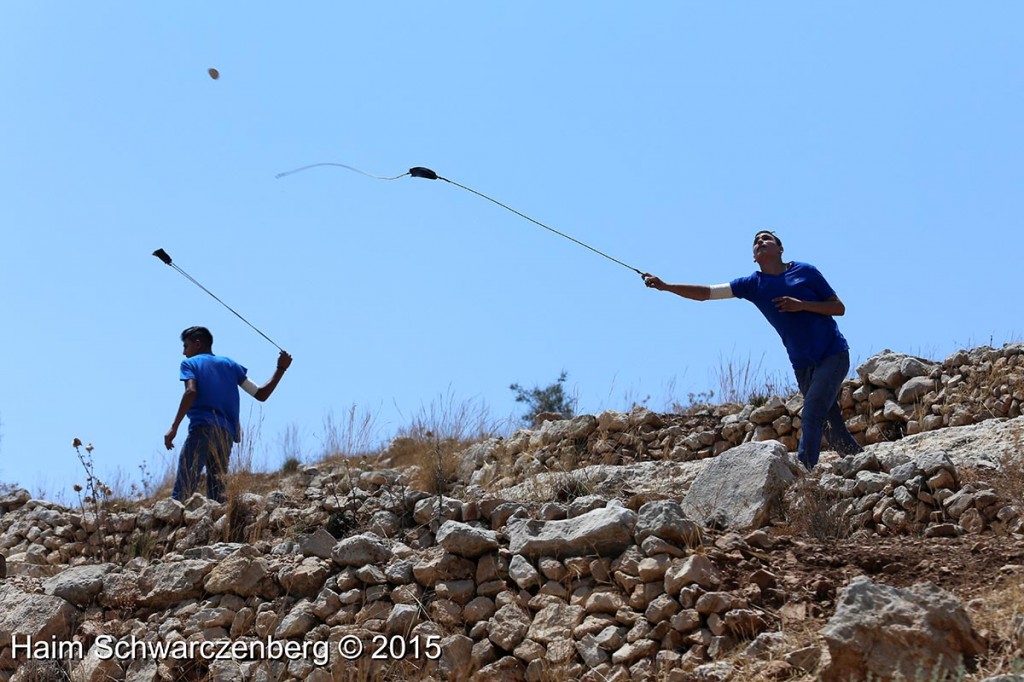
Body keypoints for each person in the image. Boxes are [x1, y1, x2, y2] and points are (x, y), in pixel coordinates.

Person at [642, 230, 862, 470]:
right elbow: (707, 293)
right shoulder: (752, 285)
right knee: (831, 426)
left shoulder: (805, 271)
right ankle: (862, 464)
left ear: (780, 249)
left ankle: (804, 474)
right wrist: (666, 286)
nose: (760, 242)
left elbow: (839, 308)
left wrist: (802, 306)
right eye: (756, 241)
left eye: (766, 238)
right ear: (754, 258)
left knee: (811, 413)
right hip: (802, 365)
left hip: (833, 353)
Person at [164, 326, 292, 502]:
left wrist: (174, 427)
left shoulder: (189, 364)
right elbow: (261, 394)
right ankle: (219, 526)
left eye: (186, 346)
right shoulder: (230, 365)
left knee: (185, 485)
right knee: (218, 492)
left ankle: (175, 524)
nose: (184, 352)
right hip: (226, 435)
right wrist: (281, 368)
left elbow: (191, 392)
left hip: (202, 429)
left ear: (198, 344)